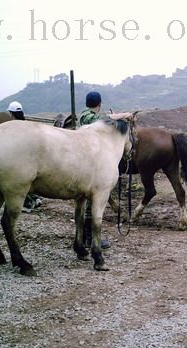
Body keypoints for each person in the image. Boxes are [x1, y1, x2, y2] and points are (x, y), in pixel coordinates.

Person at [78, 91, 112, 250]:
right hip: (89, 163)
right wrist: (119, 116)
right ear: (99, 104)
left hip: (84, 161)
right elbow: (103, 121)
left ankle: (84, 237)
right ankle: (89, 238)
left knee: (86, 204)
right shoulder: (88, 116)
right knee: (92, 202)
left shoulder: (83, 114)